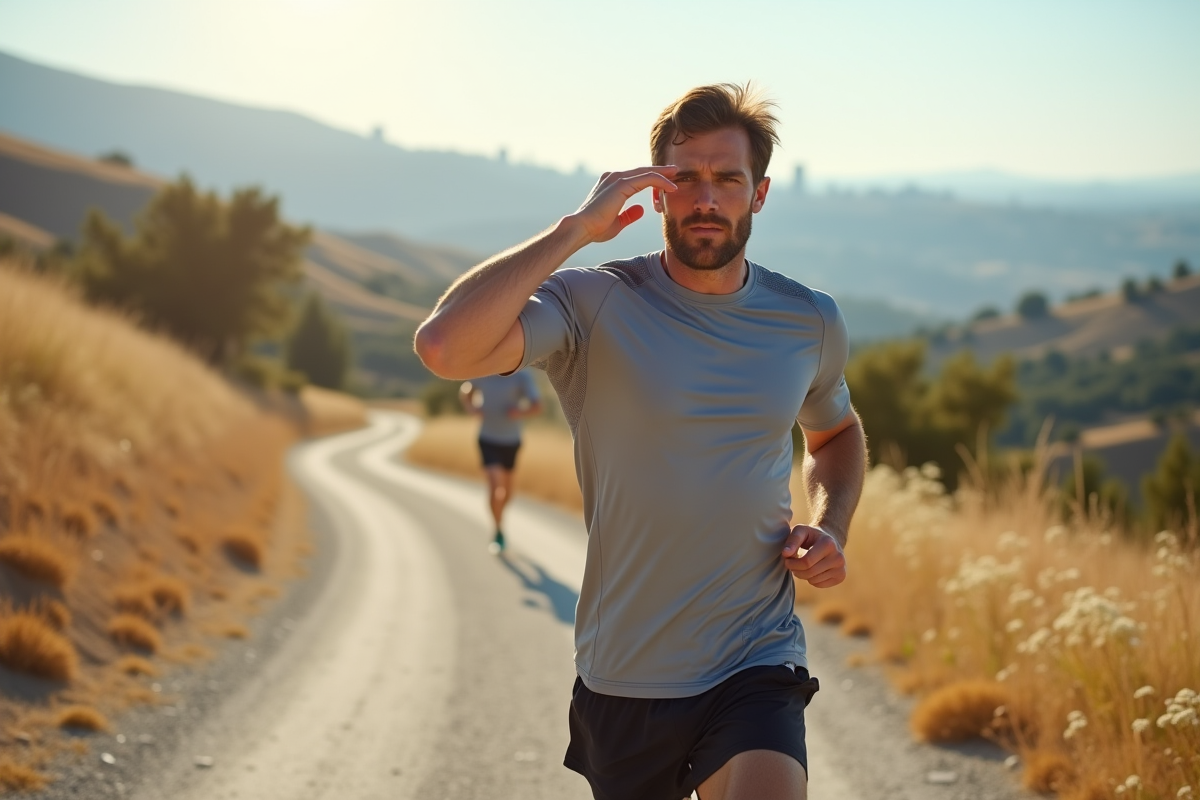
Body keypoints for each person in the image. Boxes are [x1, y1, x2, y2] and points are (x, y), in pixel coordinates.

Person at [414, 83, 867, 800]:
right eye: (684, 178)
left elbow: (836, 432)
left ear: (761, 193)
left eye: (728, 179)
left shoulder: (807, 320)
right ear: (655, 194)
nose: (706, 199)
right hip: (625, 670)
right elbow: (443, 347)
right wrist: (574, 230)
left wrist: (830, 524)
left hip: (756, 655)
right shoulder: (591, 301)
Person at [459, 370, 543, 553]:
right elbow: (466, 390)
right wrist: (472, 407)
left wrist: (520, 412)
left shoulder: (522, 377)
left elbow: (537, 406)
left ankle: (499, 517)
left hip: (511, 440)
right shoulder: (485, 370)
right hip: (487, 438)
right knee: (495, 485)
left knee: (507, 492)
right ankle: (497, 529)